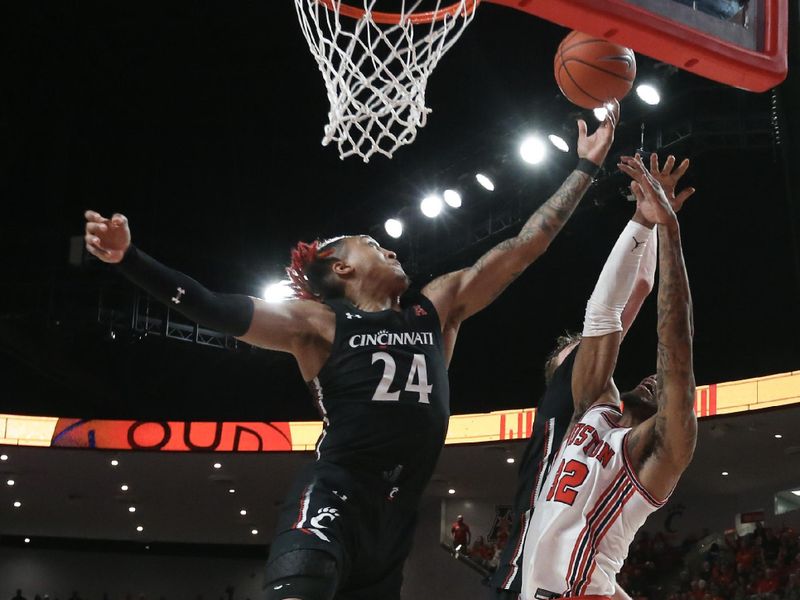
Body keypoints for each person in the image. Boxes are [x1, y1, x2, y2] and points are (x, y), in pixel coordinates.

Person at [83, 102, 620, 600]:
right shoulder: (316, 324)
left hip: (394, 522)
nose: (388, 247)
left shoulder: (435, 310)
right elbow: (211, 305)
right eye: (373, 244)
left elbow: (525, 245)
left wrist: (584, 169)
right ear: (341, 267)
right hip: (331, 501)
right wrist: (130, 259)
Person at [490, 153, 694, 600]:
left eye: (661, 386)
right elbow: (604, 314)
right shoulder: (589, 408)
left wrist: (664, 229)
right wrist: (646, 222)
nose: (650, 379)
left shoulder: (656, 452)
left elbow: (674, 347)